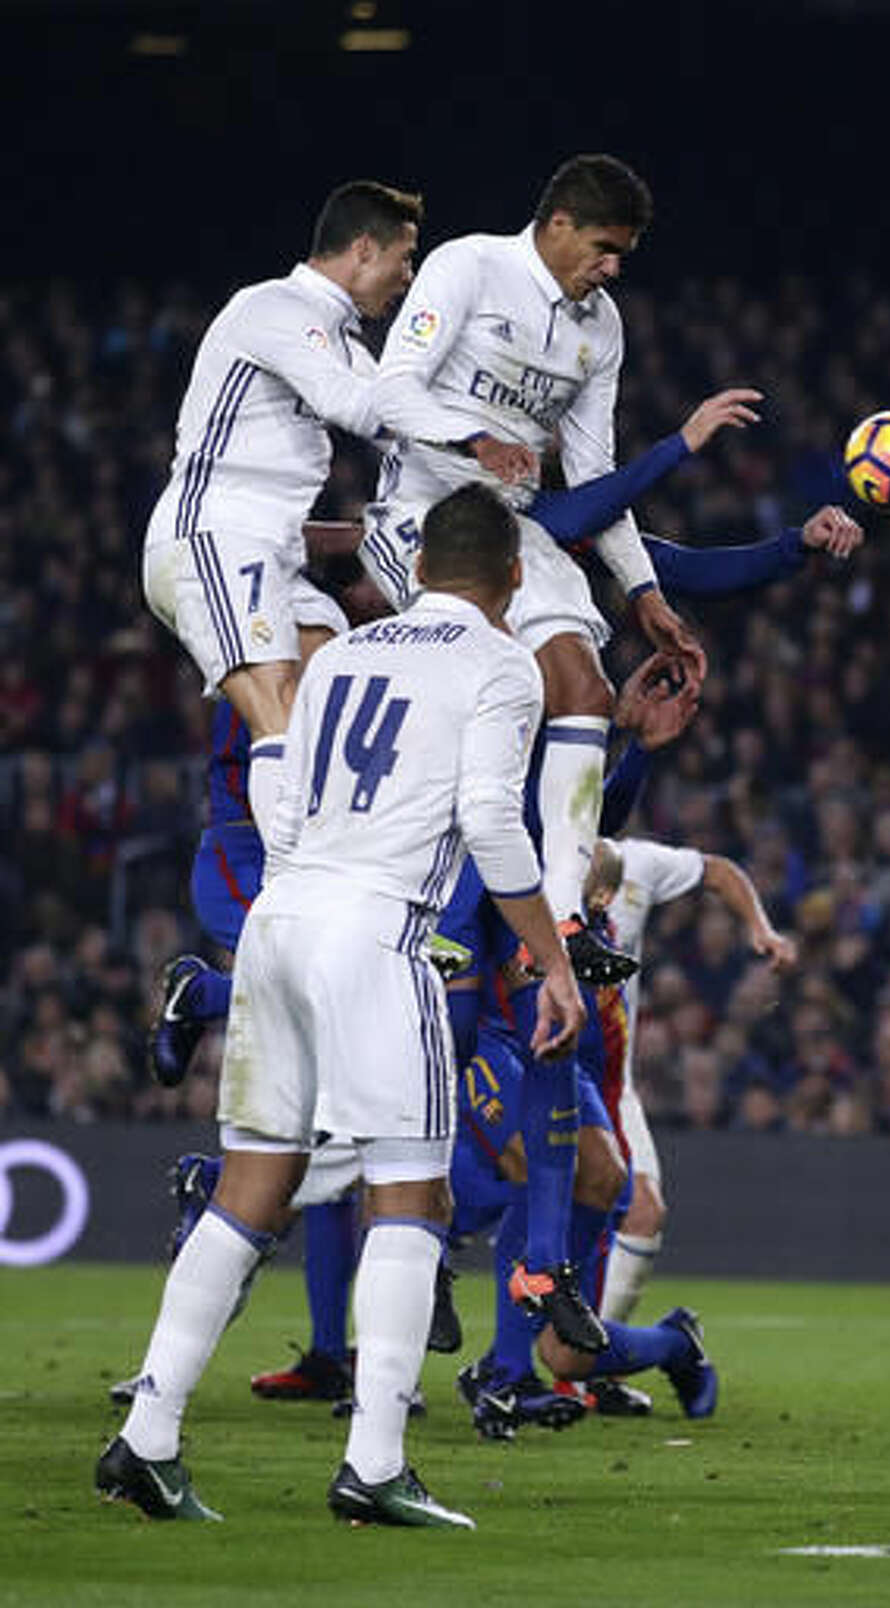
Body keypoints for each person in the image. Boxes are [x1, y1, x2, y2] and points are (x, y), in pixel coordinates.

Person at [96, 483, 585, 1529]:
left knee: (248, 1192)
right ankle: (373, 1465)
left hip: (281, 917)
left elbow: (278, 793)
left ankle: (147, 1435)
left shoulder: (346, 653)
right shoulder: (501, 662)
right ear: (511, 576)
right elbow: (495, 828)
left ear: (419, 568)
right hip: (374, 934)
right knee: (412, 1198)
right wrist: (554, 961)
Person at [363, 153, 717, 968]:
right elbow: (392, 391)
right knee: (492, 699)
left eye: (623, 253)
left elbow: (594, 476)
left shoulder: (604, 327)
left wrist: (643, 591)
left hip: (518, 528)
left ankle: (560, 923)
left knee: (584, 687)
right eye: (602, 247)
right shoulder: (469, 266)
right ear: (556, 223)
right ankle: (434, 914)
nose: (613, 267)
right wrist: (475, 440)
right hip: (425, 516)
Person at [142, 180, 421, 841]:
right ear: (361, 250)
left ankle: (333, 867)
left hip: (274, 555)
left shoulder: (342, 341)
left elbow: (405, 433)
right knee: (284, 714)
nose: (408, 279)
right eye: (404, 260)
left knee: (333, 700)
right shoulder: (273, 306)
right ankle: (294, 886)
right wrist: (472, 431)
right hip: (212, 535)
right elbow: (359, 409)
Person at [584, 837, 798, 1326]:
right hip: (519, 1074)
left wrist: (760, 929)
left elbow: (718, 870)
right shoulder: (524, 850)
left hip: (609, 1088)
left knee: (643, 1214)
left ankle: (584, 1363)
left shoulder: (635, 860)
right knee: (443, 1207)